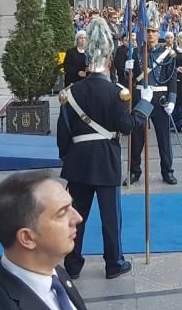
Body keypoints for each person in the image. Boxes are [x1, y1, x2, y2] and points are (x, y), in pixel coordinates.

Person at [57, 17, 152, 280]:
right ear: (110, 62)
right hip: (106, 159)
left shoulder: (70, 93)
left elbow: (63, 134)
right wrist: (144, 106)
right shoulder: (117, 93)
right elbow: (127, 126)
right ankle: (114, 263)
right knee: (111, 218)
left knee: (77, 216)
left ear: (88, 61)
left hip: (78, 161)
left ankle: (72, 264)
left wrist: (68, 157)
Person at [0, 170, 87, 309]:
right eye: (62, 213)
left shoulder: (55, 274)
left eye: (71, 206)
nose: (78, 218)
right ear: (27, 238)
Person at [127, 4, 178, 185]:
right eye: (148, 31)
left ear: (159, 33)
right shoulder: (138, 52)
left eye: (154, 31)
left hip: (160, 99)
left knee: (164, 138)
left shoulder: (168, 53)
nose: (151, 35)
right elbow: (130, 80)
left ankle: (167, 171)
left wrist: (172, 100)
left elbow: (172, 78)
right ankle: (134, 171)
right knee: (137, 137)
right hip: (142, 97)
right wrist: (128, 69)